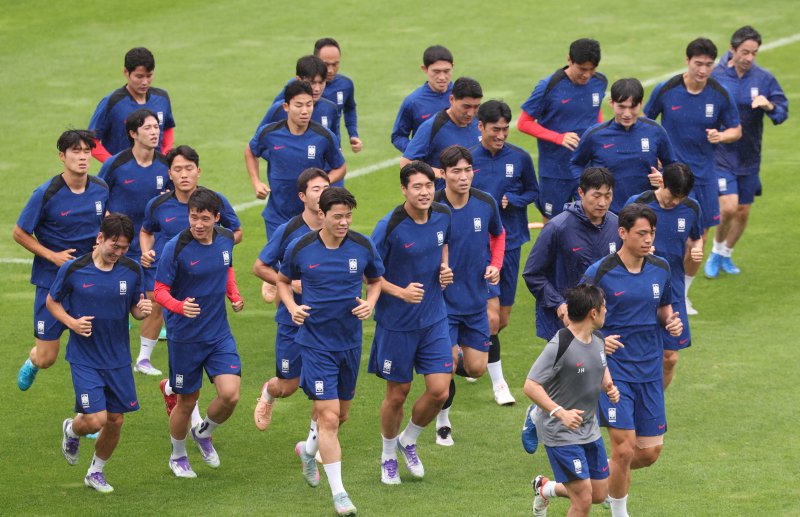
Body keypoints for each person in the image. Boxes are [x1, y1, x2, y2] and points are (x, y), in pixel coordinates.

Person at [277, 187, 384, 516]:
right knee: (329, 417)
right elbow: (282, 280)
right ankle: (339, 494)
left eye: (348, 216)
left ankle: (307, 452)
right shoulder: (301, 247)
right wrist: (292, 305)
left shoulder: (362, 245)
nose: (344, 222)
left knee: (342, 415)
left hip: (350, 343)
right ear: (321, 215)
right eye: (337, 216)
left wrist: (370, 302)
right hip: (315, 344)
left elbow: (376, 280)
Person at [582, 203, 683, 517]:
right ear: (622, 233)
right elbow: (578, 322)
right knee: (624, 449)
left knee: (649, 452)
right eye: (641, 233)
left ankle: (581, 482)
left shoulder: (661, 268)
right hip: (615, 370)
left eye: (651, 232)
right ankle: (619, 511)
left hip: (649, 368)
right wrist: (599, 339)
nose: (648, 239)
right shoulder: (599, 272)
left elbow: (664, 309)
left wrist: (671, 322)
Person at [49, 214, 152, 493]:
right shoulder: (73, 269)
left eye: (124, 249)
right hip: (84, 358)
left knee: (116, 420)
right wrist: (71, 323)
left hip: (117, 357)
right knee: (96, 419)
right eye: (114, 247)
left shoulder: (131, 270)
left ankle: (95, 472)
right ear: (100, 239)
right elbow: (52, 302)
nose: (118, 253)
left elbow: (134, 306)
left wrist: (139, 312)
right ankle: (72, 429)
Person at [140, 146, 241, 420]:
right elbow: (146, 231)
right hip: (176, 291)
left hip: (206, 286)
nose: (184, 174)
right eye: (177, 169)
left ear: (198, 170)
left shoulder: (214, 202)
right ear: (169, 174)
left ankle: (175, 391)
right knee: (189, 387)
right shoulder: (159, 205)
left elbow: (235, 233)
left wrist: (215, 248)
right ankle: (186, 428)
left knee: (213, 384)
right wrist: (146, 251)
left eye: (189, 168)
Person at [368, 161, 454, 484]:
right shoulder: (389, 226)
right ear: (404, 189)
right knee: (398, 393)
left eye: (429, 186)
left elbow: (443, 243)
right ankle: (388, 455)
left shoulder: (443, 215)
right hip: (396, 324)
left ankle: (409, 439)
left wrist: (444, 269)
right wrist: (399, 292)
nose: (424, 192)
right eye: (417, 187)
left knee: (439, 390)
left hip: (434, 318)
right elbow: (370, 274)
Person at [644, 37, 741, 315]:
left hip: (704, 177)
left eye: (709, 65)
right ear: (687, 61)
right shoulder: (667, 89)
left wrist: (721, 135)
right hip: (670, 177)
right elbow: (648, 123)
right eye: (698, 64)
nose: (703, 70)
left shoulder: (720, 94)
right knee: (661, 236)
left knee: (697, 238)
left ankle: (682, 295)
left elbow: (736, 129)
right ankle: (657, 293)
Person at [153, 188, 245, 478]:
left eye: (205, 218)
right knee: (187, 401)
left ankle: (203, 432)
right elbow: (159, 291)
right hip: (185, 338)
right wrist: (180, 307)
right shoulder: (175, 247)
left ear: (217, 218)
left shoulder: (226, 239)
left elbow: (226, 269)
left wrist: (234, 295)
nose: (198, 224)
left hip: (218, 333)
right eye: (194, 217)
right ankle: (178, 456)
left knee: (230, 395)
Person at [15, 129, 109, 391]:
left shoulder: (101, 189)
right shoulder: (46, 193)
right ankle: (33, 360)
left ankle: (89, 414)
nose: (82, 157)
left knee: (93, 350)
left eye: (87, 151)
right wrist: (53, 256)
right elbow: (20, 233)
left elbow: (104, 221)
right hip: (51, 281)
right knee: (47, 358)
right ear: (62, 156)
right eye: (76, 151)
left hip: (89, 280)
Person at [525, 284, 619, 517]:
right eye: (604, 306)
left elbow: (599, 364)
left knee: (598, 493)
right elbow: (530, 385)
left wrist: (608, 386)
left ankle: (545, 488)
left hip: (589, 428)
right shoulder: (560, 345)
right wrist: (560, 412)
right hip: (561, 431)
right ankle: (536, 416)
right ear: (593, 313)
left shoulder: (597, 338)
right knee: (583, 499)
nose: (607, 310)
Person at [433, 145, 505, 445]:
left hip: (475, 299)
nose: (464, 177)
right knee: (447, 365)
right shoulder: (432, 206)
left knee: (476, 367)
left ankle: (443, 362)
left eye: (467, 170)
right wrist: (436, 268)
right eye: (456, 171)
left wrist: (495, 265)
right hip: (442, 302)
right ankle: (443, 421)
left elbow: (499, 235)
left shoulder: (485, 203)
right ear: (443, 174)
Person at [705, 26, 789, 277]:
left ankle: (724, 254)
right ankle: (715, 250)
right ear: (732, 50)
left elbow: (782, 112)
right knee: (728, 207)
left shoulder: (764, 79)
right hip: (721, 153)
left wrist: (769, 105)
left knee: (743, 211)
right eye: (745, 52)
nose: (750, 57)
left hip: (750, 155)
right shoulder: (716, 76)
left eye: (754, 53)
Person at [471, 100, 539, 406]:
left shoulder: (521, 158)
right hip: (478, 248)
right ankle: (499, 385)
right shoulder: (468, 160)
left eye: (505, 129)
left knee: (504, 319)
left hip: (511, 244)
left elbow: (533, 192)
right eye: (495, 129)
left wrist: (516, 200)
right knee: (492, 319)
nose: (501, 134)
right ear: (480, 127)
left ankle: (475, 351)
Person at [252, 168, 330, 431]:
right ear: (302, 196)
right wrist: (287, 283)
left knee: (324, 389)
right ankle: (268, 393)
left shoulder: (337, 227)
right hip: (292, 319)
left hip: (326, 321)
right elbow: (260, 266)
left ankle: (316, 443)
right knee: (288, 386)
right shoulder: (289, 231)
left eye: (326, 188)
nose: (322, 194)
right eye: (316, 189)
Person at [97, 108, 171, 376]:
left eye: (156, 127)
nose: (155, 132)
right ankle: (110, 355)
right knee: (115, 301)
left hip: (152, 245)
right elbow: (98, 197)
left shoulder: (165, 165)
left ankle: (143, 359)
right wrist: (109, 230)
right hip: (119, 245)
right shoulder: (116, 165)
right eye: (148, 128)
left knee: (156, 299)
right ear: (133, 133)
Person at [625, 163, 702, 390]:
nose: (676, 202)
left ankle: (653, 405)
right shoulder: (638, 204)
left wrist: (696, 249)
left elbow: (696, 237)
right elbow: (618, 240)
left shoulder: (691, 208)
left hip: (672, 290)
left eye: (681, 196)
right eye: (673, 195)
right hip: (637, 289)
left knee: (670, 357)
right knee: (634, 355)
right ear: (661, 183)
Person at [523, 167, 620, 342]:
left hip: (607, 320)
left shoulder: (617, 226)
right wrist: (558, 304)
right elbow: (533, 273)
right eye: (596, 195)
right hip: (567, 321)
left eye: (608, 196)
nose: (602, 203)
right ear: (581, 192)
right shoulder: (557, 227)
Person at [518, 38, 606, 221]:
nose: (587, 75)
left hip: (587, 168)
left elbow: (595, 112)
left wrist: (600, 134)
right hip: (555, 171)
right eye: (582, 69)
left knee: (592, 221)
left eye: (592, 69)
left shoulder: (600, 82)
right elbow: (524, 123)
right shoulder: (549, 86)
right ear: (569, 60)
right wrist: (558, 138)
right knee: (553, 224)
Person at [245, 80, 346, 239]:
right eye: (299, 106)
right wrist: (256, 182)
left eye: (309, 104)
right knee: (277, 262)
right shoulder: (270, 133)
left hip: (313, 218)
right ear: (286, 107)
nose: (305, 111)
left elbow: (340, 167)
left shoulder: (324, 137)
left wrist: (322, 185)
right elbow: (251, 151)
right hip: (277, 217)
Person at [570, 78, 676, 214]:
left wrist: (663, 178)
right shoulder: (595, 135)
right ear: (611, 103)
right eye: (621, 107)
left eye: (632, 107)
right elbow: (576, 164)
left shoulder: (655, 131)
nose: (627, 114)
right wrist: (587, 191)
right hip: (606, 214)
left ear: (641, 104)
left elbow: (671, 166)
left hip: (645, 213)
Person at [89, 47, 175, 162]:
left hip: (155, 173)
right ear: (126, 72)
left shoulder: (162, 98)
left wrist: (165, 156)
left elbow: (167, 128)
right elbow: (91, 141)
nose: (145, 82)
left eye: (149, 76)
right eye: (139, 76)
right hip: (122, 178)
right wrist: (114, 164)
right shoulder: (112, 102)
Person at [400, 76, 482, 185]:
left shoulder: (480, 122)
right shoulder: (432, 126)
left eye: (476, 107)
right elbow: (406, 163)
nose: (471, 113)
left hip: (476, 197)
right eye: (466, 106)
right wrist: (441, 173)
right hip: (443, 200)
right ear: (452, 99)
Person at [391, 45, 454, 153]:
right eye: (436, 72)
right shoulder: (413, 102)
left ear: (452, 67)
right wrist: (417, 151)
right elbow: (398, 136)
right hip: (428, 168)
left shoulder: (462, 95)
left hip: (460, 167)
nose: (442, 77)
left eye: (446, 71)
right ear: (424, 69)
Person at [264, 55, 341, 141]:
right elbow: (256, 145)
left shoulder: (331, 109)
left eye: (321, 82)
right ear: (298, 79)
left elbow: (335, 145)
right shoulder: (279, 109)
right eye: (312, 83)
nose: (317, 89)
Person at [315, 38, 362, 153]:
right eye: (326, 64)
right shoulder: (297, 87)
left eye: (335, 64)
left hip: (333, 152)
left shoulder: (345, 85)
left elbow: (350, 109)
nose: (330, 70)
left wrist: (353, 134)